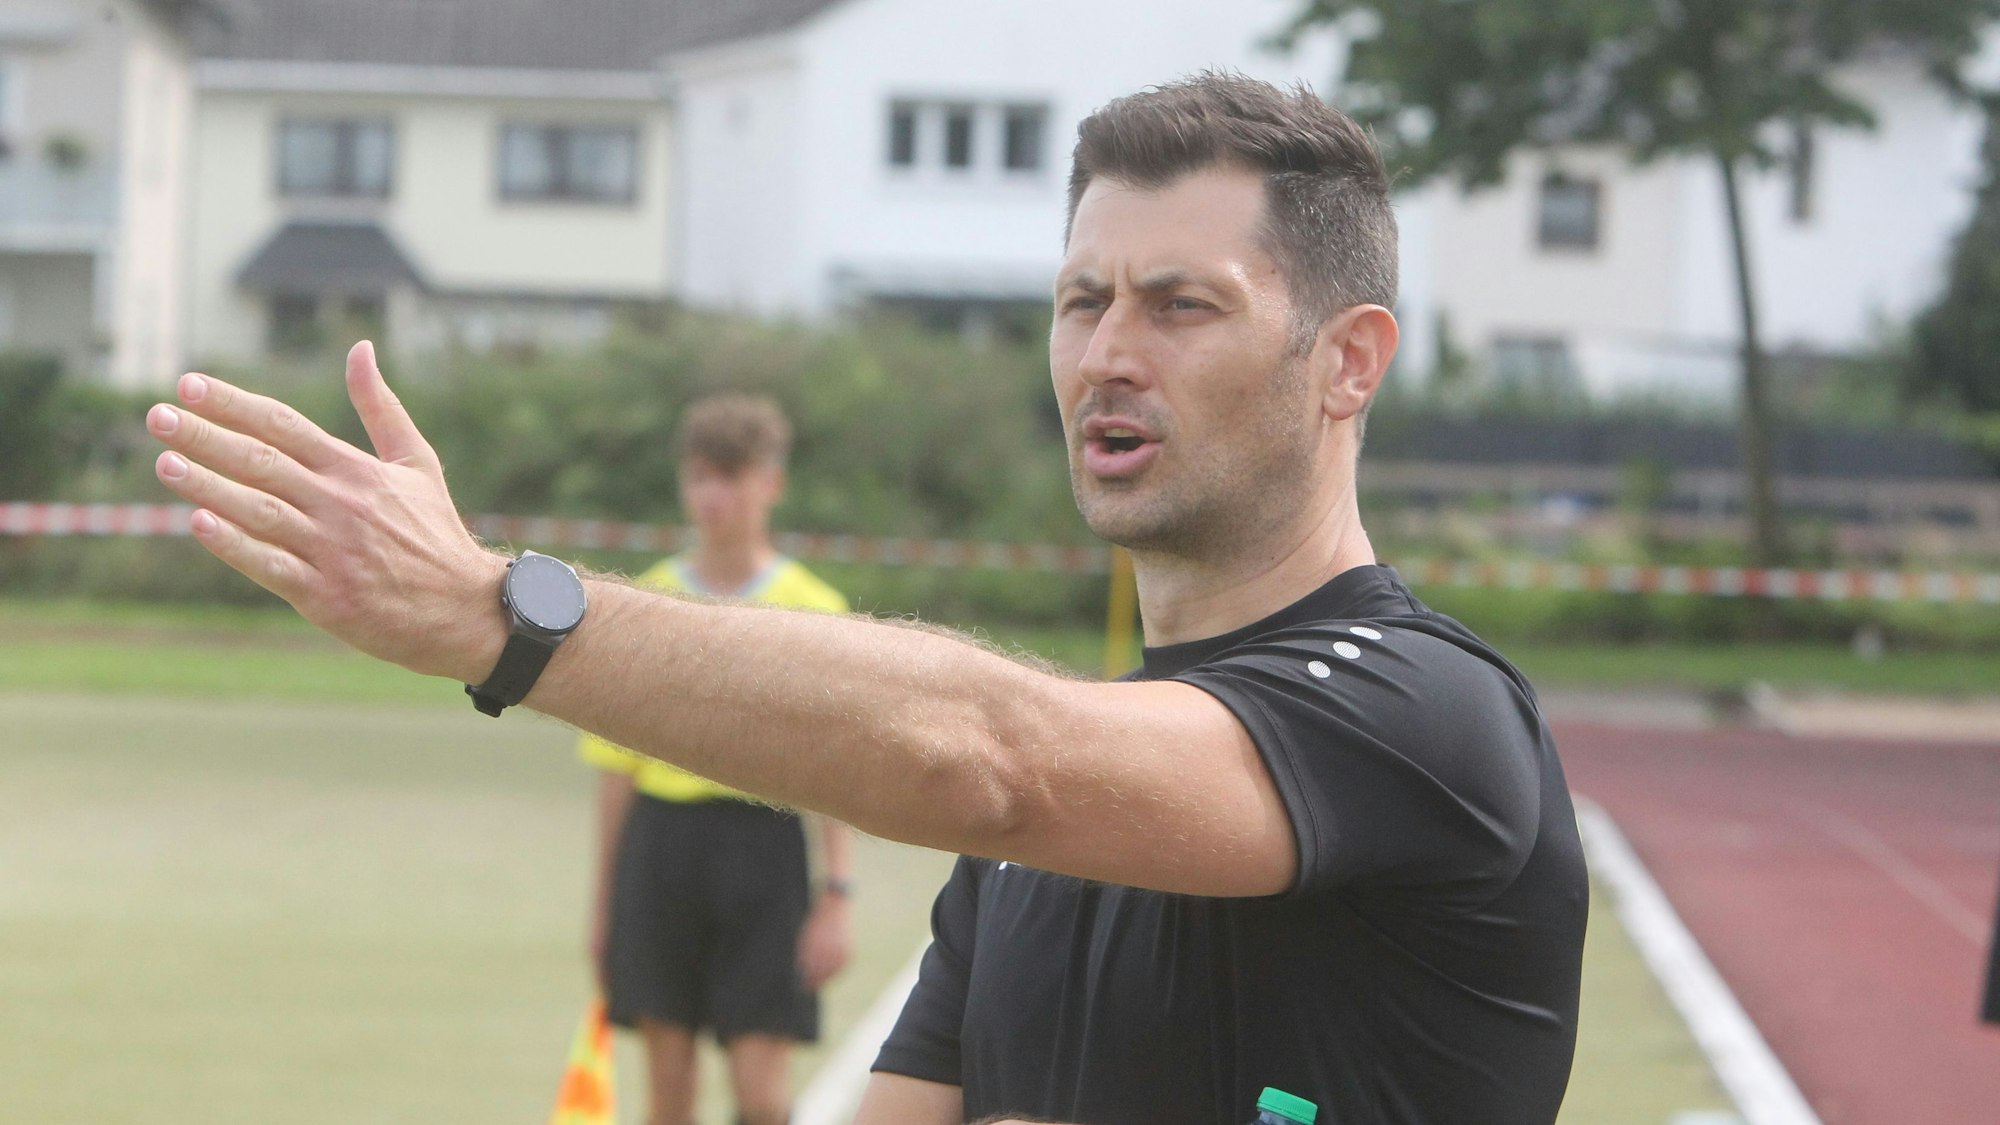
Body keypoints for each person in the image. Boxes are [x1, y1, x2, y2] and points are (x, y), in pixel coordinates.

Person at [144, 71, 1588, 1125]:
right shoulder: (1037, 851)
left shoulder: (1429, 716)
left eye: (1181, 302)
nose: (1106, 354)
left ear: (1349, 360)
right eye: (1083, 302)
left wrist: (498, 614)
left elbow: (984, 755)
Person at [578, 394, 854, 1125]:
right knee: (669, 1093)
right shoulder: (644, 602)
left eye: (733, 476)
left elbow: (834, 766)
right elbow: (617, 768)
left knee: (762, 1094)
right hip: (661, 848)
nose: (714, 495)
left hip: (763, 852)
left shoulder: (813, 607)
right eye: (701, 475)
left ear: (772, 483)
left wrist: (838, 894)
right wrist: (604, 902)